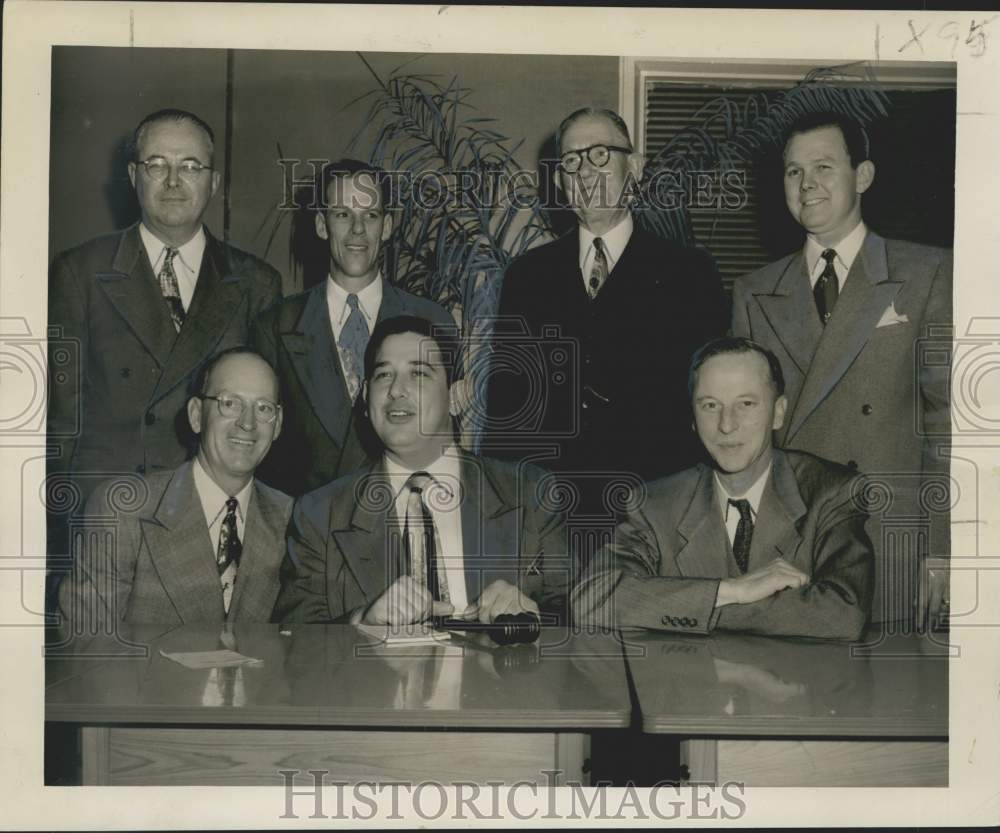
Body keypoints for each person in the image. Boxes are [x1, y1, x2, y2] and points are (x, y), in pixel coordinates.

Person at [730, 111, 952, 625]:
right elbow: (742, 436)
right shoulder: (753, 290)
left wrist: (945, 549)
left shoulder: (928, 272)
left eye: (824, 167)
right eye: (793, 172)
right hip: (792, 547)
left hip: (893, 540)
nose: (807, 185)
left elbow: (948, 426)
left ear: (864, 176)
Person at [485, 107, 728, 515]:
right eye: (571, 161)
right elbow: (508, 411)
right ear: (560, 180)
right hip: (551, 515)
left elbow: (709, 400)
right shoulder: (526, 277)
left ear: (634, 166)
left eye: (600, 155)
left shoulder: (689, 273)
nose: (584, 172)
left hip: (657, 510)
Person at [273, 315, 570, 626]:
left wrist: (533, 616)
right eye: (383, 375)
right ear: (364, 396)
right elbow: (295, 645)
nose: (396, 390)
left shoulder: (530, 494)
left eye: (418, 373)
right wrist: (361, 623)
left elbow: (579, 621)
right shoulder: (320, 515)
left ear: (456, 398)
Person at [572, 337, 874, 640]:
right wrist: (732, 590)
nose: (727, 425)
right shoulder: (655, 503)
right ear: (692, 417)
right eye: (710, 405)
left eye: (746, 403)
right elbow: (591, 601)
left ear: (778, 412)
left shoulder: (831, 492)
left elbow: (843, 615)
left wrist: (702, 607)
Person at [251, 159, 453, 496]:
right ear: (321, 224)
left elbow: (448, 446)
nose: (358, 229)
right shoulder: (275, 326)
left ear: (386, 227)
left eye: (370, 215)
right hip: (309, 530)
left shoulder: (433, 321)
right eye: (343, 214)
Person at [58, 349, 292, 627]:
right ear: (196, 415)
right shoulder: (123, 511)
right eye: (230, 403)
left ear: (276, 425)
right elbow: (90, 647)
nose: (247, 423)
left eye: (263, 407)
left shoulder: (292, 519)